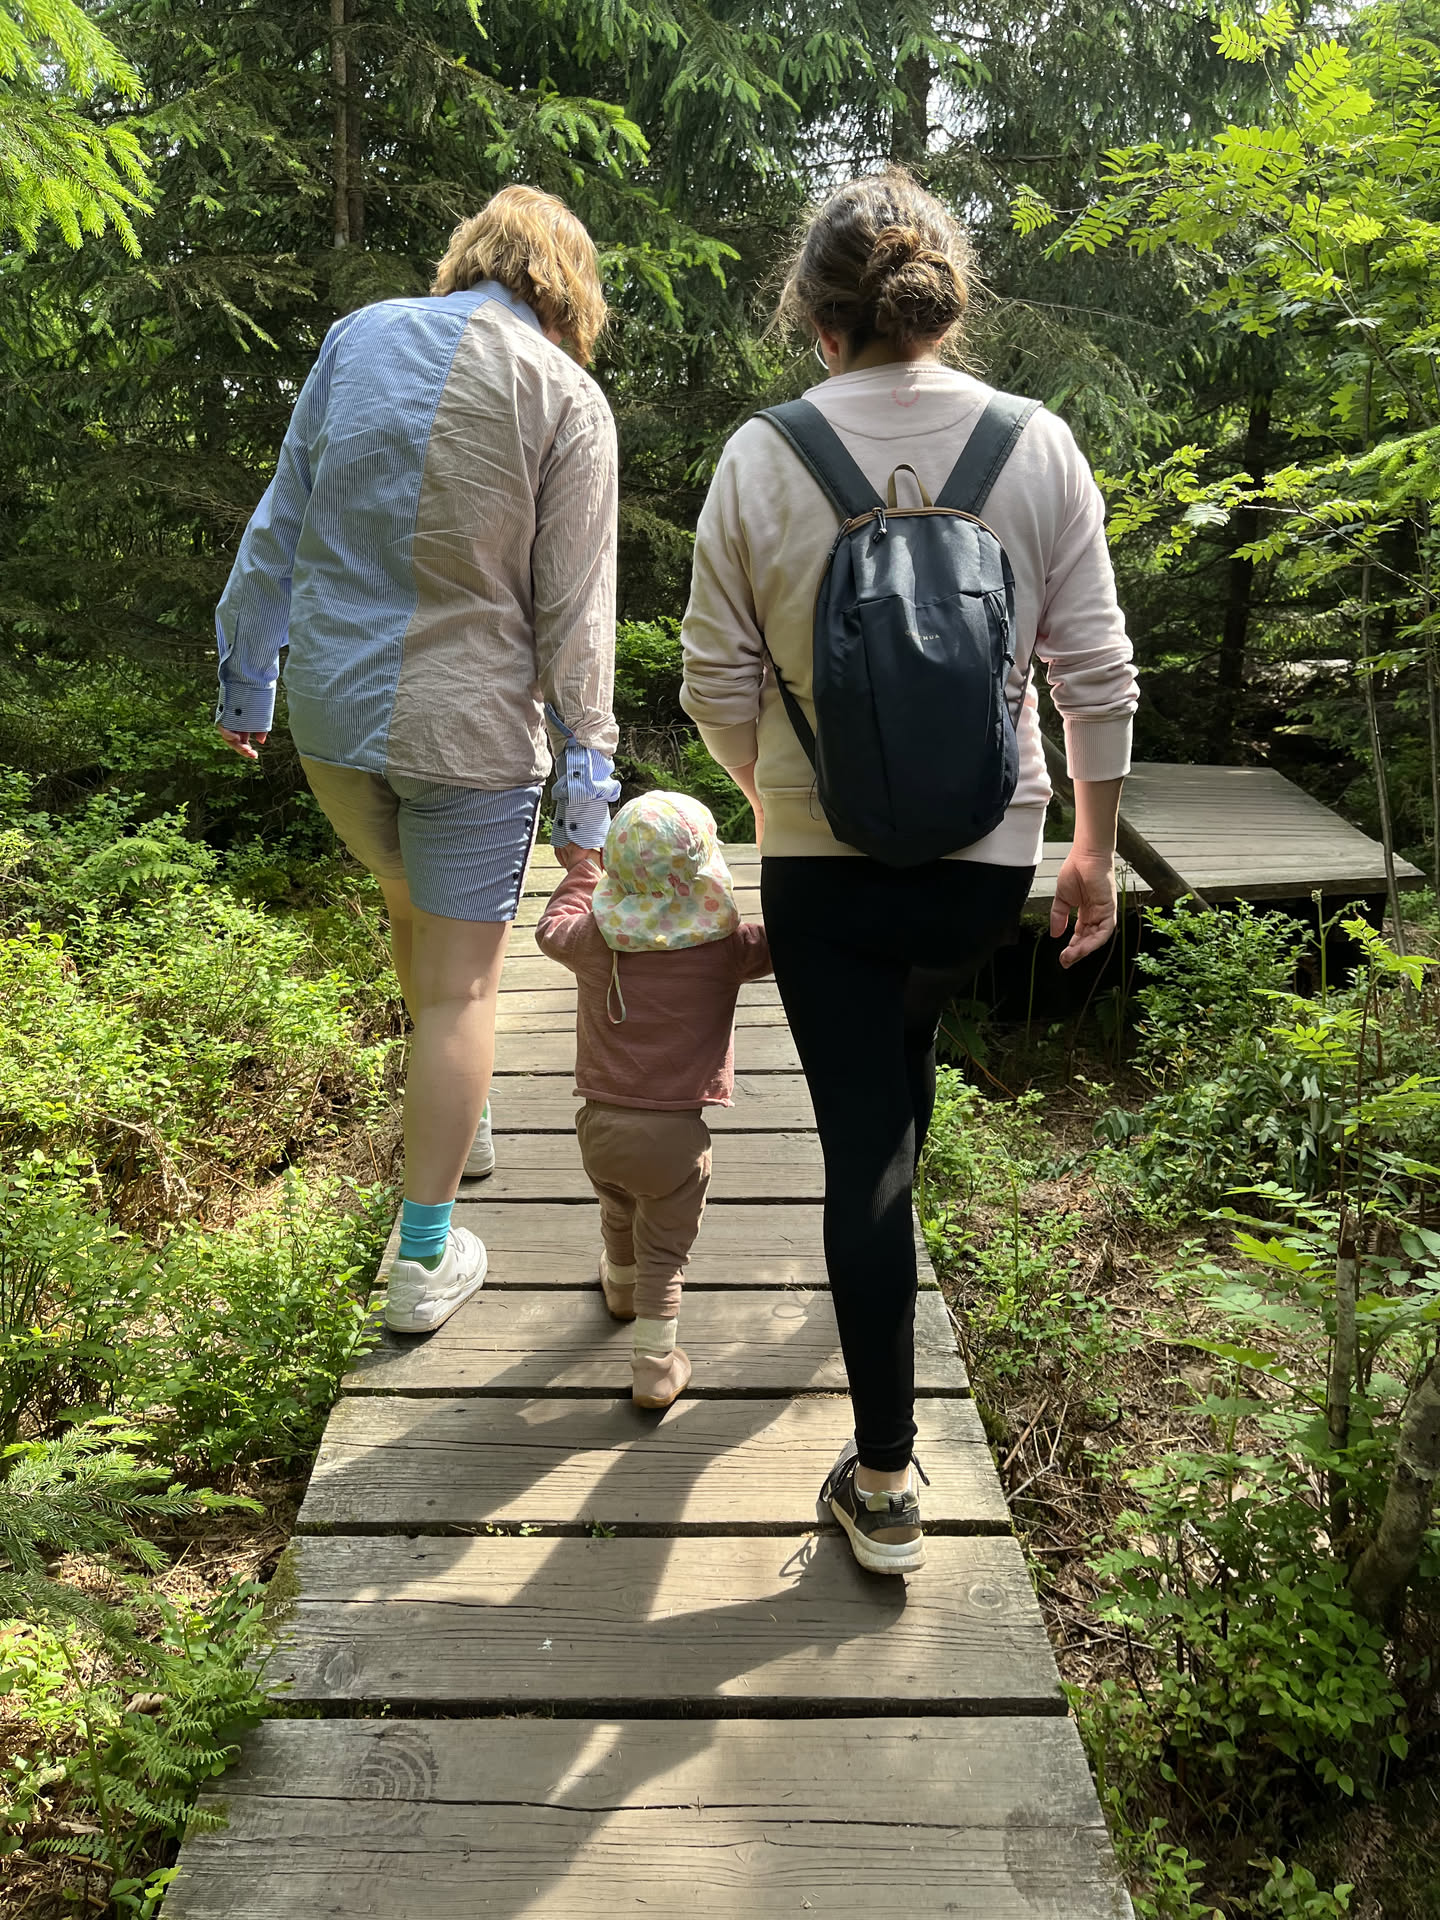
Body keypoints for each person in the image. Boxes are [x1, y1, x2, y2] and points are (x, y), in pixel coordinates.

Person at [680, 168, 1139, 1574]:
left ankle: (884, 1482)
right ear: (945, 301)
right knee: (909, 1052)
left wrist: (773, 793)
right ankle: (881, 1301)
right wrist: (1091, 847)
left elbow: (714, 683)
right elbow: (1095, 670)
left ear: (819, 320)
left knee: (860, 1146)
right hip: (980, 862)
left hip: (824, 871)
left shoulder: (762, 455)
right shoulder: (1034, 444)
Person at [213, 186, 619, 1335]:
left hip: (337, 725)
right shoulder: (566, 396)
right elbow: (577, 620)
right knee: (464, 988)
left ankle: (461, 1112)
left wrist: (247, 674)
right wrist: (587, 807)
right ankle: (424, 1259)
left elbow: (279, 522)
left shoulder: (357, 340)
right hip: (470, 740)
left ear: (471, 257)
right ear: (567, 287)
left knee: (411, 916)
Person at [535, 792, 772, 1409]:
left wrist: (582, 869)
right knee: (664, 1253)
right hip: (676, 1138)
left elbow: (550, 927)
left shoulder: (592, 938)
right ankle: (655, 1366)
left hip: (599, 1128)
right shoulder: (727, 946)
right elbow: (787, 942)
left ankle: (618, 1286)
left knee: (618, 1209)